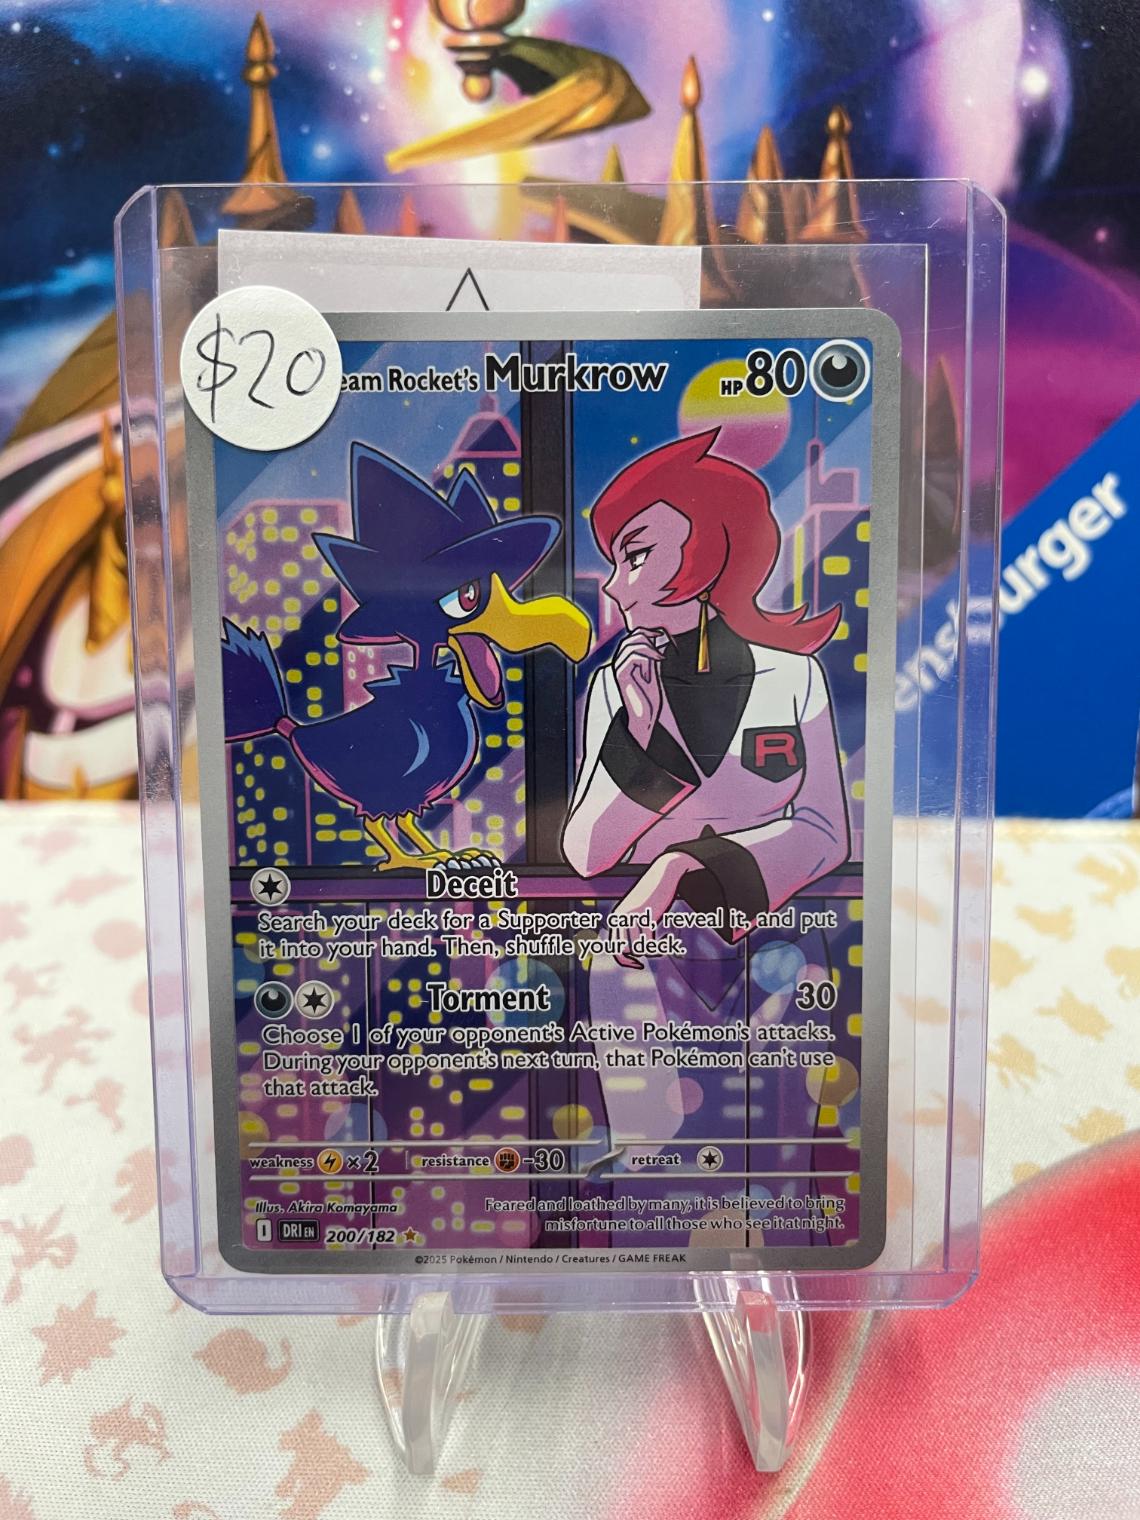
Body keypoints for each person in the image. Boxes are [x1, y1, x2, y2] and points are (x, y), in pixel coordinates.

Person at [563, 428, 851, 964]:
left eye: (636, 556)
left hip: (776, 952)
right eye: (616, 563)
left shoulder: (794, 677)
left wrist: (681, 865)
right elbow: (586, 853)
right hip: (639, 962)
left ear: (706, 549)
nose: (613, 586)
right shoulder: (618, 684)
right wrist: (641, 735)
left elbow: (827, 833)